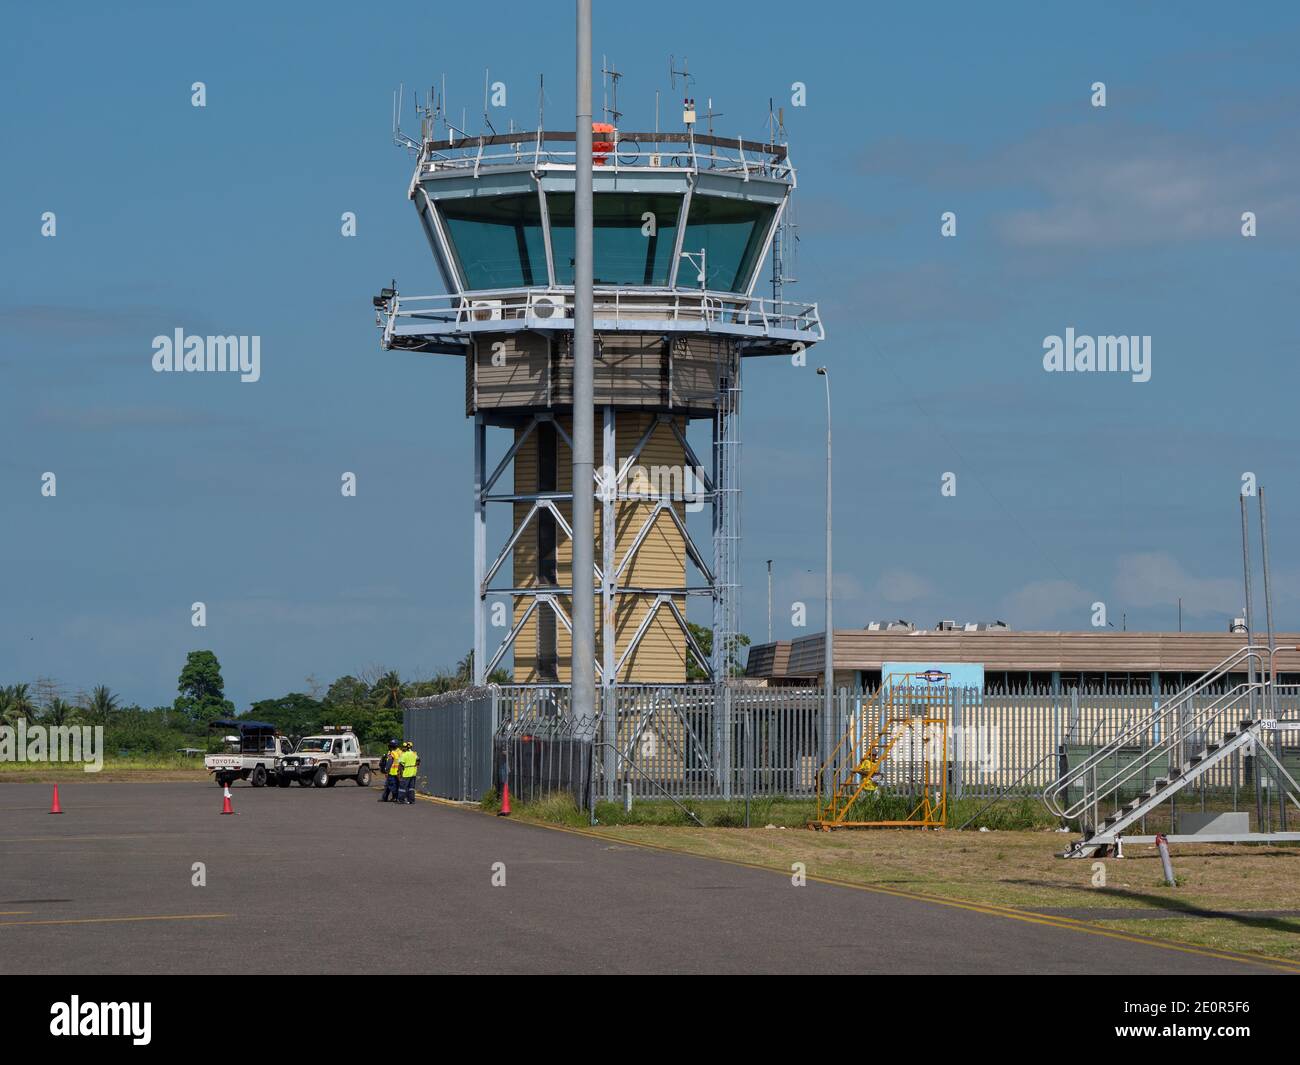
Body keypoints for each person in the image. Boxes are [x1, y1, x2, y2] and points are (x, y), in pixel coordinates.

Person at [379, 738, 401, 803]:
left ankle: (395, 797)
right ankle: (386, 798)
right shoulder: (400, 752)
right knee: (394, 785)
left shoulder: (392, 753)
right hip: (399, 772)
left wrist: (386, 770)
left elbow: (389, 763)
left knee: (390, 785)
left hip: (392, 772)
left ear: (391, 746)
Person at [398, 740, 420, 805]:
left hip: (406, 773)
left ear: (406, 747)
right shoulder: (414, 754)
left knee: (403, 788)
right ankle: (411, 800)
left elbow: (401, 765)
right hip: (413, 773)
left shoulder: (404, 755)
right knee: (411, 788)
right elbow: (418, 761)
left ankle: (401, 800)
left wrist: (399, 773)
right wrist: (414, 766)